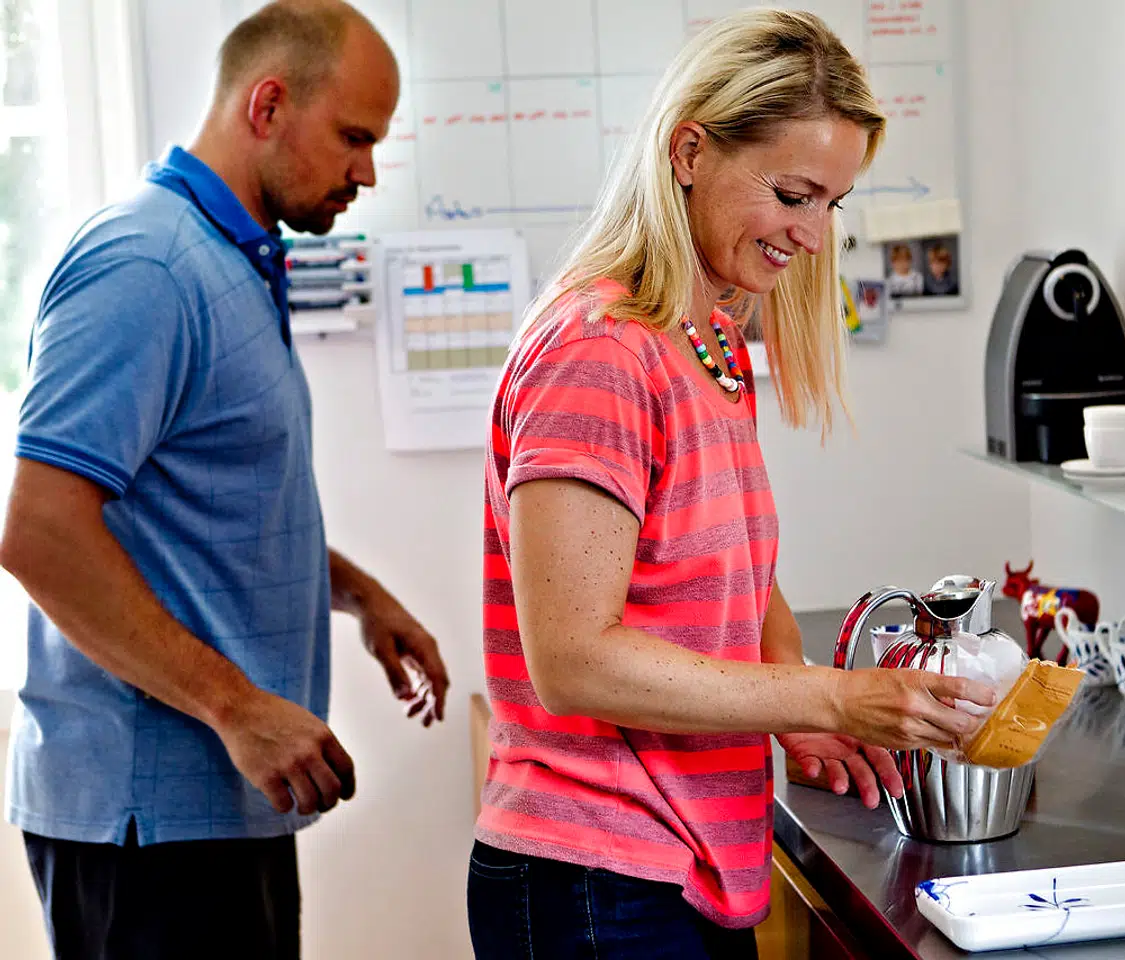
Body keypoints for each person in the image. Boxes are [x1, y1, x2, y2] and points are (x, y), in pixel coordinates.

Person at [470, 10, 995, 959]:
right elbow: (575, 660)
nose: (813, 233)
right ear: (688, 152)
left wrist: (798, 693)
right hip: (599, 880)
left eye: (831, 203)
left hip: (685, 864)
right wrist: (828, 700)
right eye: (795, 193)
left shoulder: (707, 341)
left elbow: (734, 575)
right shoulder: (599, 352)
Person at [0, 3, 449, 957]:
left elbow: (202, 512)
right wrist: (236, 708)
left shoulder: (232, 261)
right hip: (146, 824)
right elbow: (39, 532)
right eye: (355, 137)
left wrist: (360, 596)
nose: (367, 171)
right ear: (270, 104)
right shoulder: (145, 265)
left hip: (223, 801)